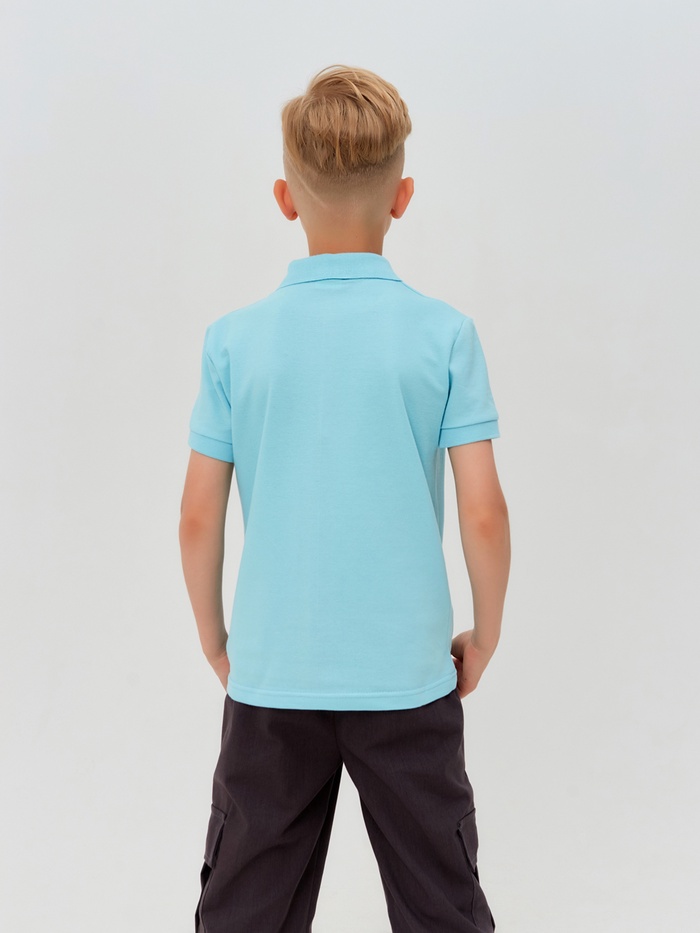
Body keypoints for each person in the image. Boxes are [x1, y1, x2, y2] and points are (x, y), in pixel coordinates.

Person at [179, 63, 510, 933]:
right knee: (442, 901)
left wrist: (217, 638)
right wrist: (485, 630)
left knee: (244, 905)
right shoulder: (444, 335)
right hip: (407, 675)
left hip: (272, 675)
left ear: (286, 198)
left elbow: (197, 516)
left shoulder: (233, 342)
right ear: (402, 197)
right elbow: (483, 510)